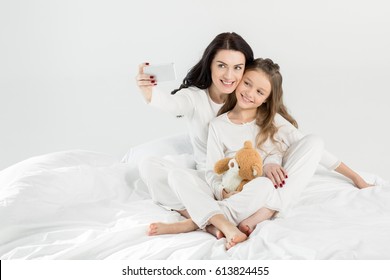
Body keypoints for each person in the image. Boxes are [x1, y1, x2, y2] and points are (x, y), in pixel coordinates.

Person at [148, 58, 372, 247]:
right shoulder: (218, 125)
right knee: (175, 175)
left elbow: (317, 151)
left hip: (261, 191)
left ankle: (214, 219)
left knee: (313, 142)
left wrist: (355, 178)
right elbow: (212, 170)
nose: (249, 93)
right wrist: (222, 190)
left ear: (267, 98)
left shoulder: (272, 121)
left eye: (260, 91)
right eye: (247, 83)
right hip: (234, 193)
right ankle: (215, 221)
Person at [135, 32, 254, 245]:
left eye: (237, 67)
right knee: (149, 165)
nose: (229, 75)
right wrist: (148, 92)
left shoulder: (248, 96)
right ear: (209, 65)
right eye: (222, 65)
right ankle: (202, 220)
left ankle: (204, 219)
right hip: (204, 180)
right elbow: (173, 104)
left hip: (238, 182)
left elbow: (278, 130)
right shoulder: (195, 97)